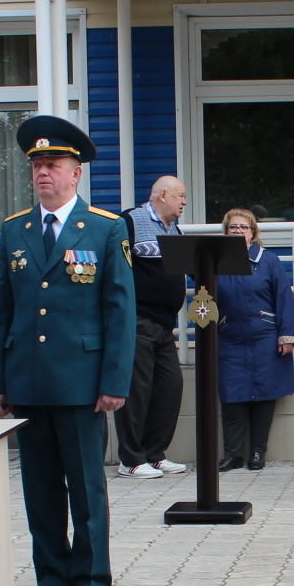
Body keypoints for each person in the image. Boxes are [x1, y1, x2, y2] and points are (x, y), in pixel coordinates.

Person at [0, 115, 136, 586]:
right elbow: (1, 311)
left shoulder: (105, 229)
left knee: (87, 488)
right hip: (28, 380)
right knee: (40, 489)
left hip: (82, 382)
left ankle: (92, 578)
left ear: (76, 173)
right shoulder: (15, 231)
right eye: (37, 166)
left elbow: (120, 312)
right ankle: (51, 577)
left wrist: (114, 380)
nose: (43, 174)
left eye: (53, 165)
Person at [212, 208, 294, 472]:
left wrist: (287, 335)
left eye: (243, 227)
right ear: (225, 231)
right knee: (231, 396)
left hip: (265, 337)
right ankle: (232, 454)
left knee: (263, 395)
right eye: (233, 227)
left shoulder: (269, 261)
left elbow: (284, 297)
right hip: (230, 337)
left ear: (253, 232)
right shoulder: (215, 261)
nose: (238, 231)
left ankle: (258, 453)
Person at [116, 175, 190, 479]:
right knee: (137, 391)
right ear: (162, 194)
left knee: (169, 388)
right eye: (181, 196)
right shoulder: (129, 222)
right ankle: (131, 459)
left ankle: (155, 454)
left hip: (164, 326)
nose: (184, 202)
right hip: (138, 321)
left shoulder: (174, 229)